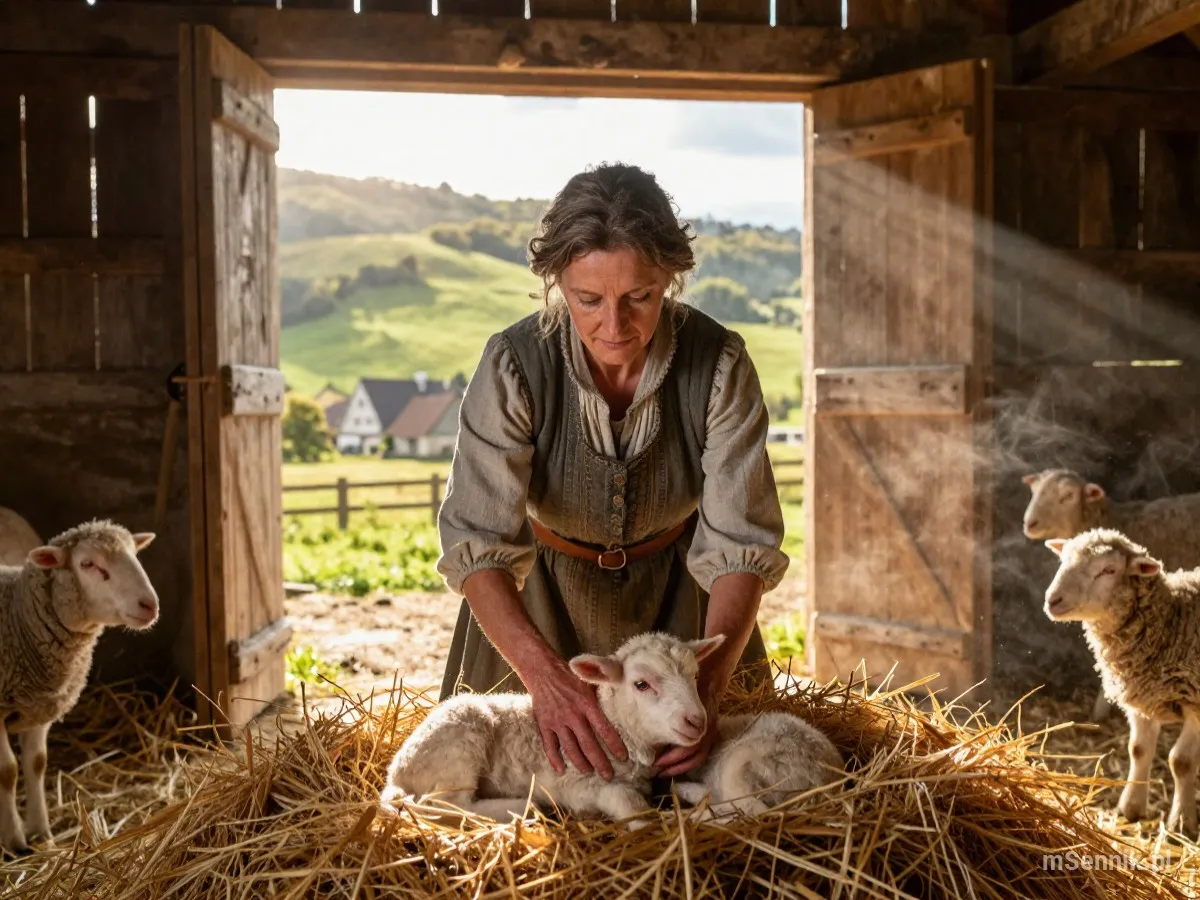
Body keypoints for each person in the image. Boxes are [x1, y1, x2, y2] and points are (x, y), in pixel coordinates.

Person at [435, 162, 789, 782]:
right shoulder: (513, 364)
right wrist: (544, 679)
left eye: (640, 297)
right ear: (557, 284)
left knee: (715, 805)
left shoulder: (720, 364)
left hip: (682, 615)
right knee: (518, 792)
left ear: (670, 280)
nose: (614, 327)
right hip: (539, 611)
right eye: (588, 300)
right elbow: (478, 543)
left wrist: (703, 692)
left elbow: (739, 546)